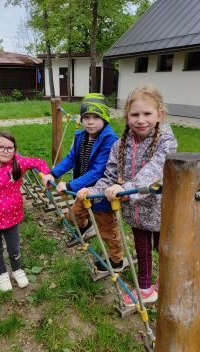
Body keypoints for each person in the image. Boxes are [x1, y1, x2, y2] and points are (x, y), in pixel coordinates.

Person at [77, 85, 178, 305]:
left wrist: (128, 188)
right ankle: (145, 290)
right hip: (137, 214)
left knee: (165, 251)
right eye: (134, 114)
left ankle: (167, 282)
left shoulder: (166, 142)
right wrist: (92, 191)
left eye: (147, 113)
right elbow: (110, 175)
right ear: (126, 117)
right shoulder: (119, 145)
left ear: (160, 114)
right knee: (142, 252)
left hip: (163, 211)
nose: (141, 119)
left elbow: (155, 169)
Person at [42, 93, 124, 272]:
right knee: (73, 217)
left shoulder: (110, 140)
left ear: (105, 118)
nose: (90, 122)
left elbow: (99, 170)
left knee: (108, 231)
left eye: (96, 117)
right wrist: (53, 174)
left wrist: (71, 185)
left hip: (101, 193)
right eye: (86, 117)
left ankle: (116, 261)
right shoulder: (81, 136)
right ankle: (86, 227)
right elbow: (71, 158)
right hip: (83, 191)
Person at [0, 131, 50, 292]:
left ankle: (17, 270)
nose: (6, 151)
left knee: (14, 248)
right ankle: (2, 273)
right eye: (1, 147)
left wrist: (46, 174)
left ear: (15, 150)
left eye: (10, 148)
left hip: (12, 218)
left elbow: (37, 162)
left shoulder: (17, 163)